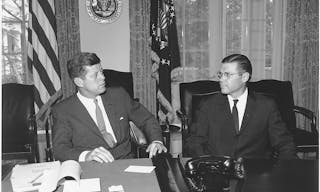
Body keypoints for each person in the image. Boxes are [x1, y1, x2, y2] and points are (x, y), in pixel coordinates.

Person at [52, 52, 167, 163]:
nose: (102, 77)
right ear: (79, 82)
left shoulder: (118, 95)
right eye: (95, 75)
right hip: (91, 168)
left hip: (125, 164)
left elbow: (147, 119)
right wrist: (86, 155)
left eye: (101, 72)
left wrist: (157, 141)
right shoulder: (63, 110)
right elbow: (60, 149)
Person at [186, 54, 296, 159]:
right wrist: (208, 166)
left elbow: (284, 143)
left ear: (244, 77)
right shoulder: (208, 105)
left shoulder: (266, 106)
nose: (221, 79)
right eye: (220, 74)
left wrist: (283, 171)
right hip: (217, 172)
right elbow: (195, 143)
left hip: (255, 172)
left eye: (227, 75)